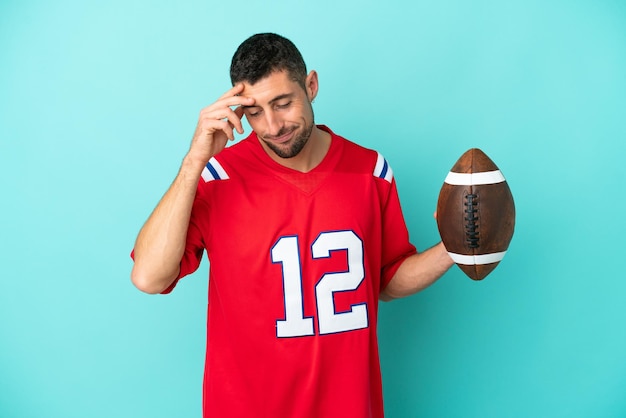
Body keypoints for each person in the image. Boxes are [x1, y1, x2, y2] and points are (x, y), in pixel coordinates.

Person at [131, 32, 453, 418]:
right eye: (254, 113)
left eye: (283, 103)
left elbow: (385, 278)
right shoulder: (217, 177)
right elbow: (148, 277)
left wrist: (454, 249)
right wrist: (193, 162)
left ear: (311, 85)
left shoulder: (370, 171)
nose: (271, 125)